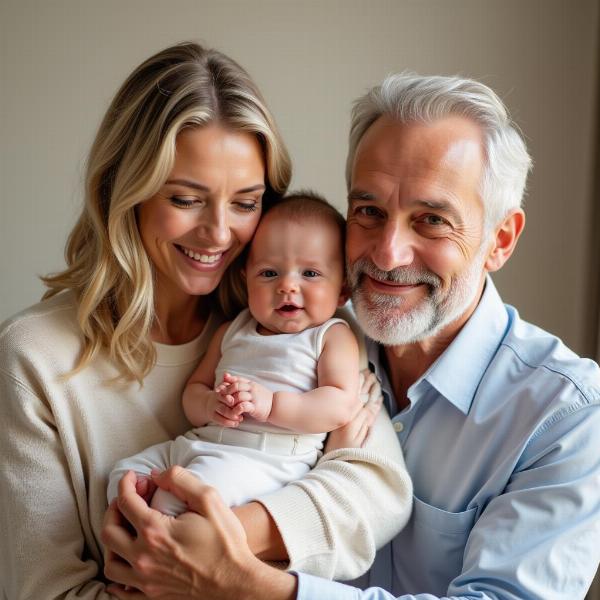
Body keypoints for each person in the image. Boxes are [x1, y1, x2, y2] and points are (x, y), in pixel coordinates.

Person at [102, 73, 600, 599]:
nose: (387, 254)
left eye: (431, 220)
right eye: (369, 212)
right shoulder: (301, 334)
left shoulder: (566, 416)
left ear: (500, 240)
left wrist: (251, 584)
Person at [0, 43, 412, 600]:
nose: (219, 234)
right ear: (125, 193)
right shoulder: (36, 360)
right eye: (187, 199)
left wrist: (219, 549)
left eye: (245, 203)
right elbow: (47, 590)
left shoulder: (291, 326)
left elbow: (377, 491)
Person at [107, 193, 408, 523]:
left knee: (173, 500)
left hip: (264, 461)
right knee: (123, 477)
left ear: (342, 290)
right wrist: (209, 405)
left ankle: (150, 559)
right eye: (268, 274)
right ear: (245, 279)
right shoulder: (234, 330)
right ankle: (140, 537)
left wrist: (271, 405)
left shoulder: (331, 336)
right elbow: (194, 389)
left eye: (310, 274)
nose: (287, 286)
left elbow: (339, 404)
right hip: (200, 442)